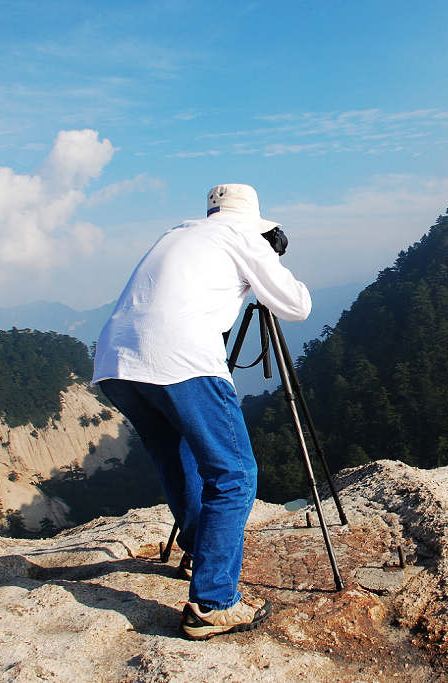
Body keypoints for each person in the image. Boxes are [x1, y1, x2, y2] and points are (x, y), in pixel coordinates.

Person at [92, 183, 311, 639]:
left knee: (175, 455)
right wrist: (267, 261)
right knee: (234, 473)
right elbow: (297, 305)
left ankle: (198, 547)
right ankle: (213, 603)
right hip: (180, 357)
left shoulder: (178, 233)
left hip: (116, 361)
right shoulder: (244, 237)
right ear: (254, 219)